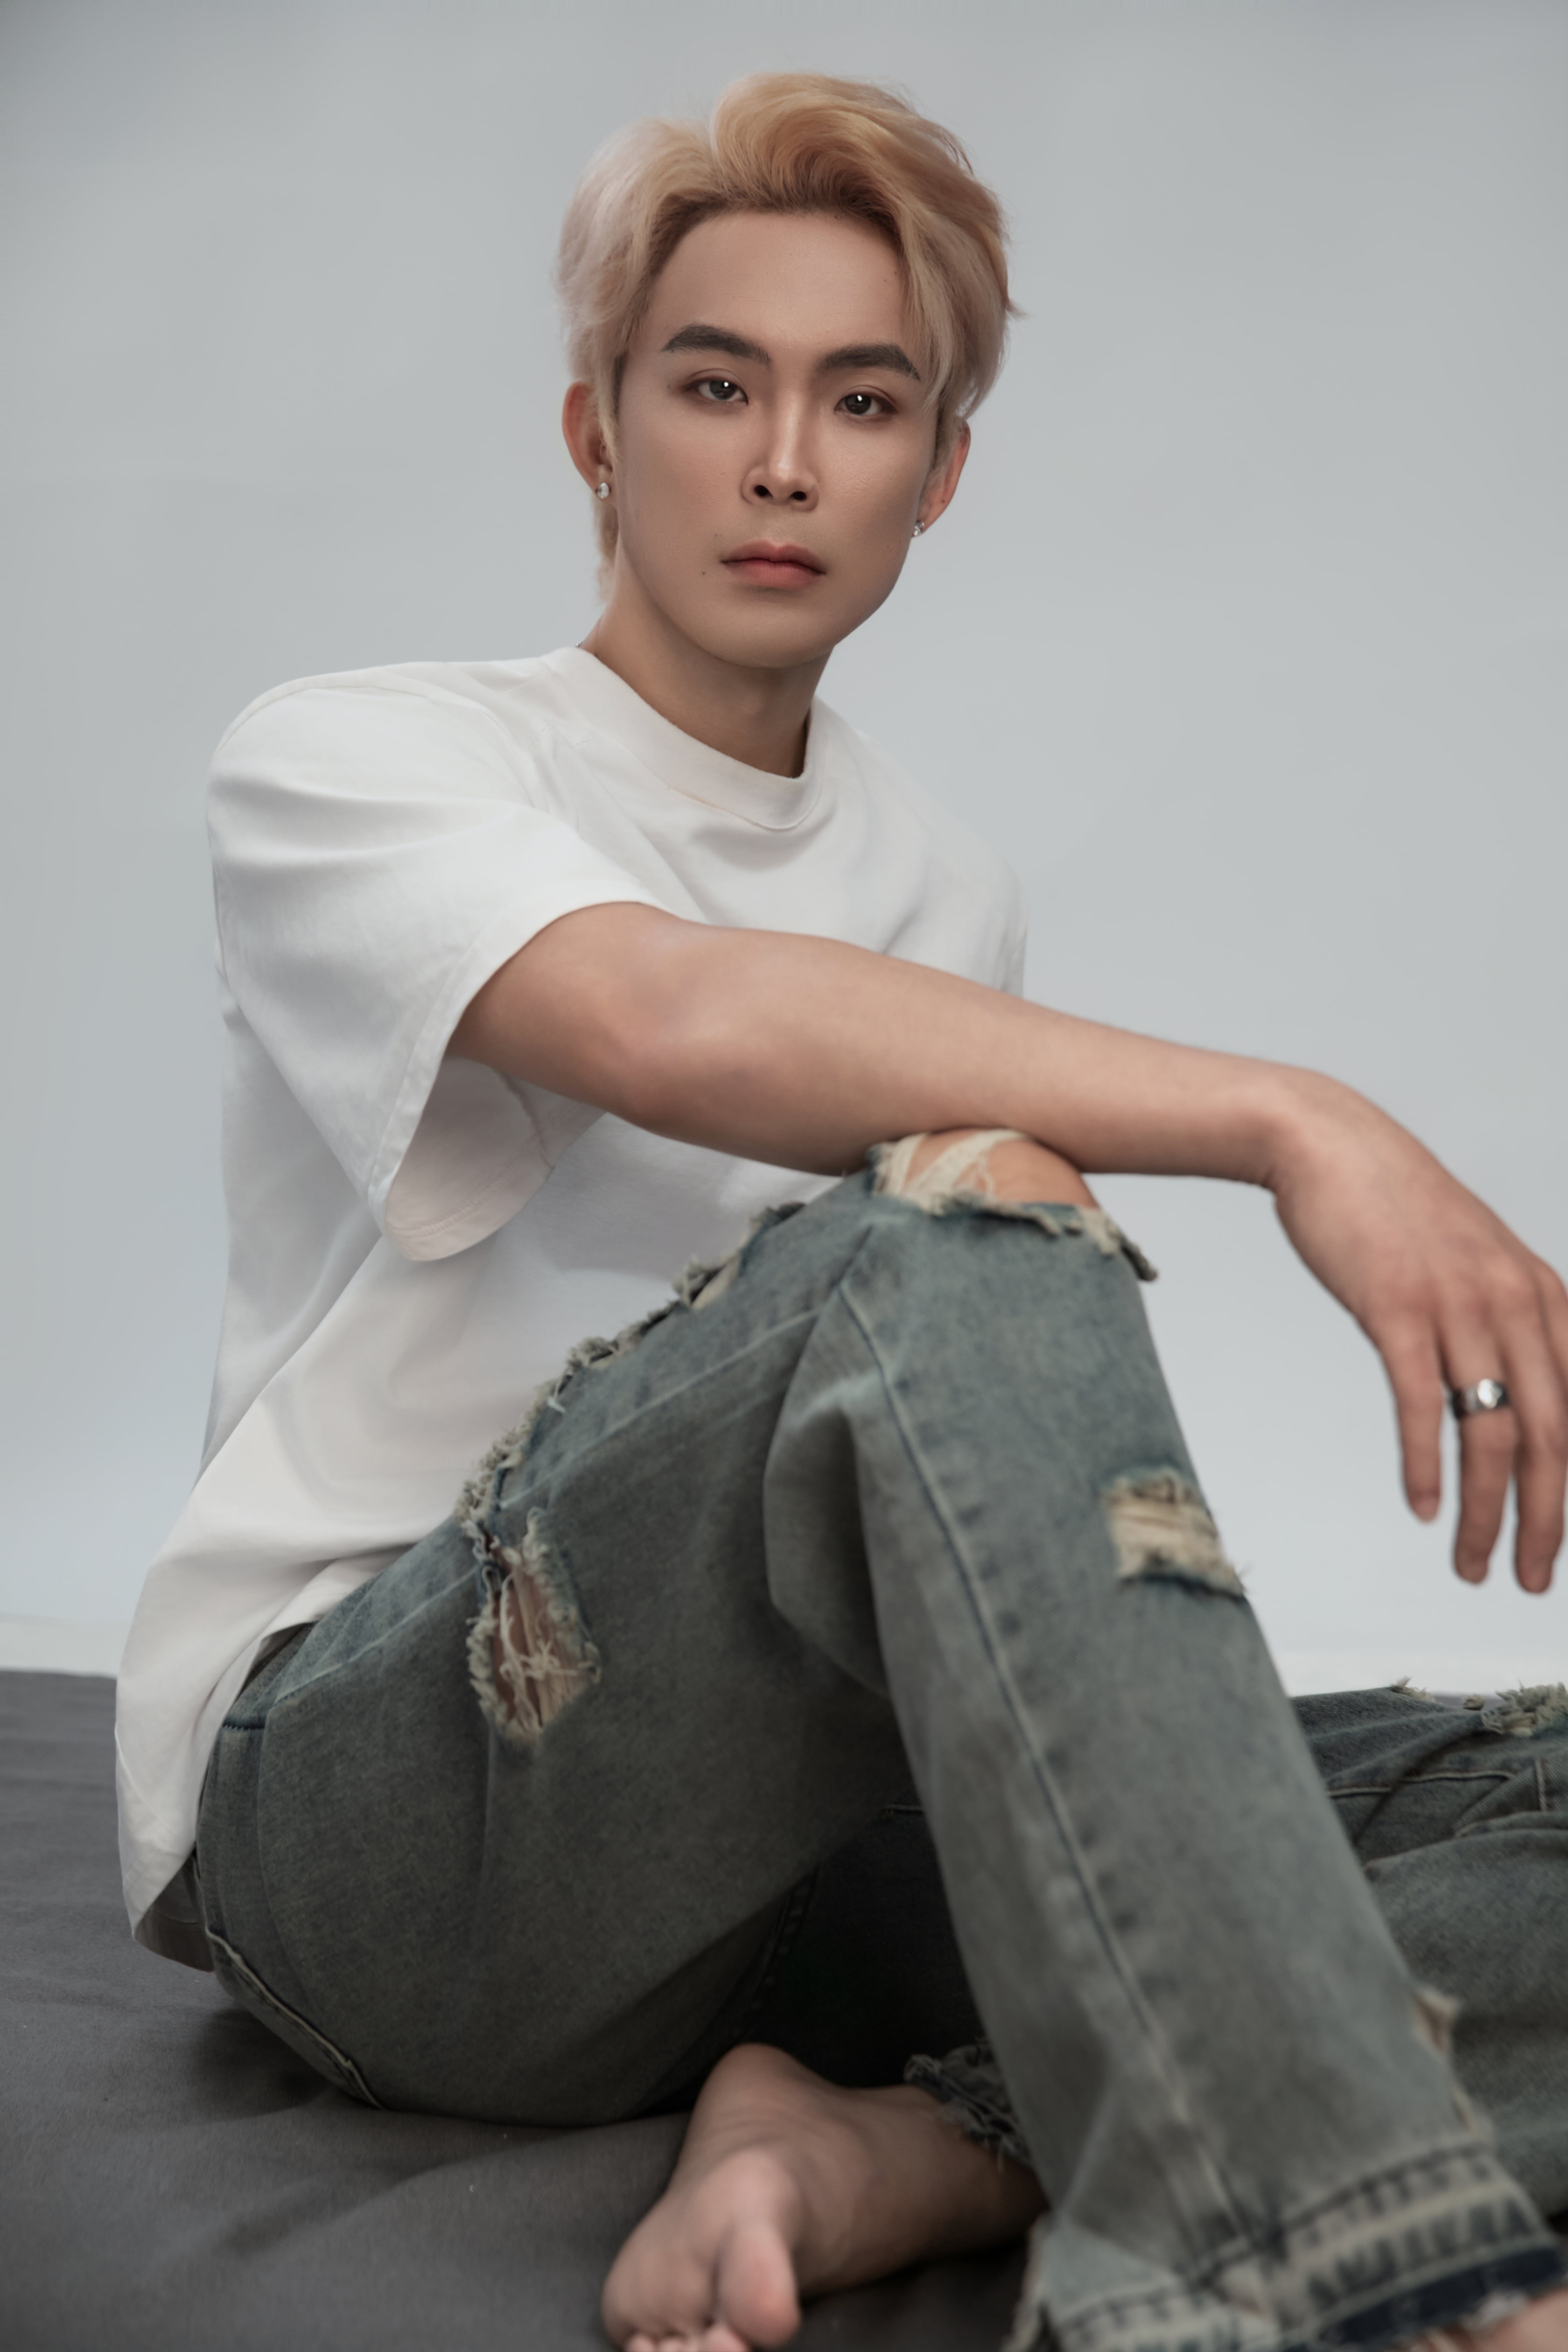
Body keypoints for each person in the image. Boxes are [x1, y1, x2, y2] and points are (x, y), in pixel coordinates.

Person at [116, 71, 1568, 2352]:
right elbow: (669, 1014)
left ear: (938, 472)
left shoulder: (944, 892)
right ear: (596, 429)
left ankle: (891, 2145)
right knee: (953, 1227)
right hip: (389, 1822)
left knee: (1547, 1784)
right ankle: (1318, 2259)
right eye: (715, 382)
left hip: (788, 1836)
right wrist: (1298, 1117)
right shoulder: (364, 754)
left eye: (862, 398)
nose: (784, 460)